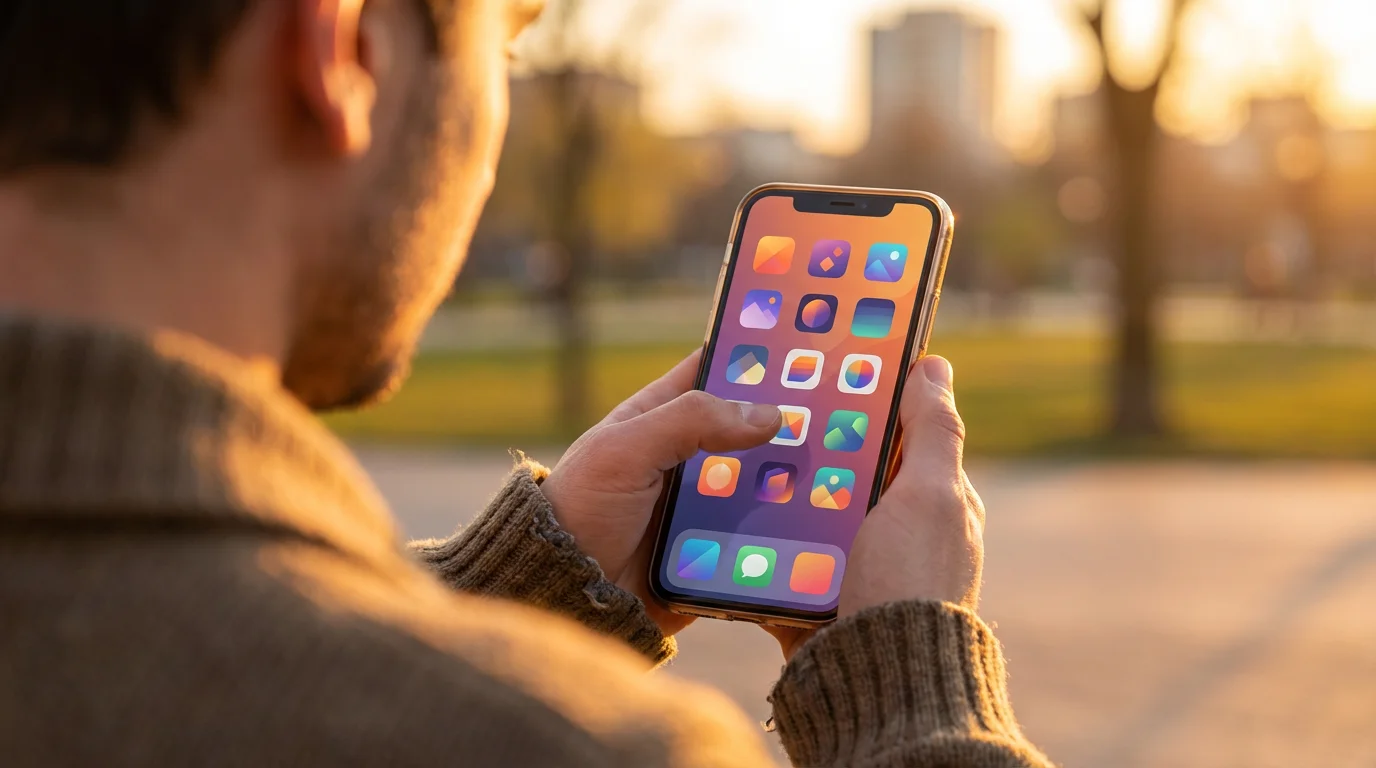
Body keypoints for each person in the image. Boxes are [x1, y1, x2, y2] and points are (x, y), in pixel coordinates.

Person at [0, 0, 1053, 765]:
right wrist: (910, 684)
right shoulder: (581, 748)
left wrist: (526, 595)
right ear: (341, 48)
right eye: (502, 38)